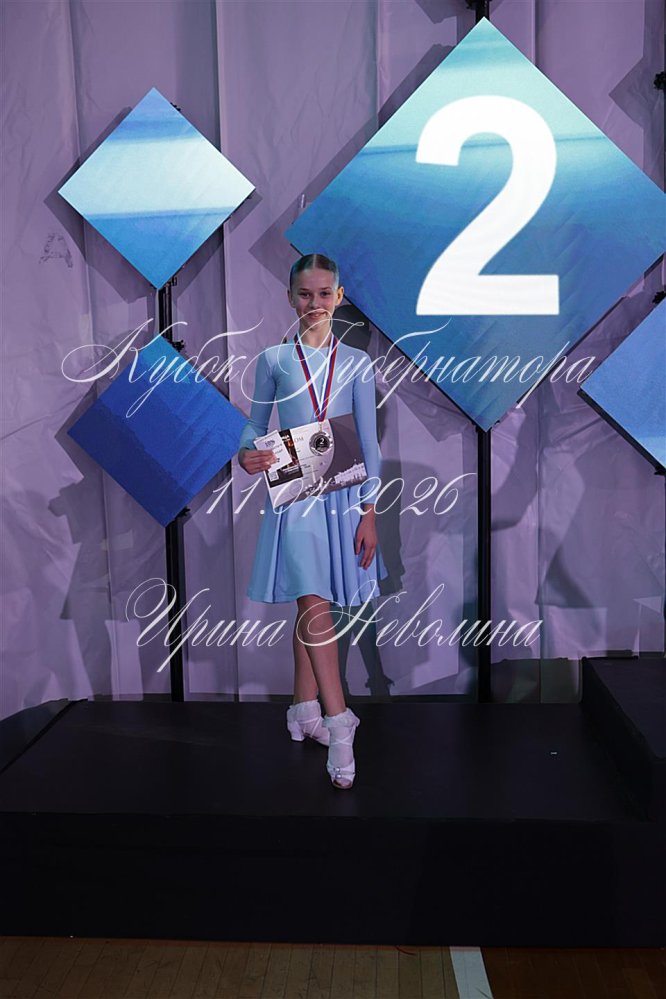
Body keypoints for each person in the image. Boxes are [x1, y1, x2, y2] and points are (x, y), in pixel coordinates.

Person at [237, 253, 388, 789]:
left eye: (324, 293)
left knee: (315, 600)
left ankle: (302, 708)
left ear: (339, 298)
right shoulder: (274, 359)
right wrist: (247, 454)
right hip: (296, 496)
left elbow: (369, 443)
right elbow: (253, 426)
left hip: (343, 495)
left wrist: (370, 511)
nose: (314, 303)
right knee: (313, 600)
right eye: (305, 294)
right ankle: (339, 719)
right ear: (290, 298)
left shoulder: (358, 364)